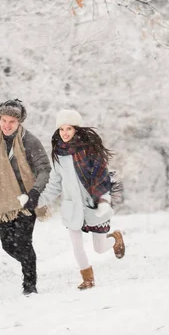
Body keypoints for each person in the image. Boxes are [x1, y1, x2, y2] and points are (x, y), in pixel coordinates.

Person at [37, 109, 125, 290]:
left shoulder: (91, 152)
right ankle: (88, 279)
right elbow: (54, 185)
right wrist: (38, 200)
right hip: (72, 208)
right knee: (77, 247)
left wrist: (102, 202)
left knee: (99, 248)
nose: (65, 133)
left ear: (76, 129)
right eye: (61, 129)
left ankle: (115, 238)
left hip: (94, 205)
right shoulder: (58, 157)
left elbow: (102, 178)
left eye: (69, 128)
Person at [0, 99, 51, 295]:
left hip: (26, 199)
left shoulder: (29, 141)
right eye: (3, 120)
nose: (7, 125)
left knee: (23, 242)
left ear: (19, 122)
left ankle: (29, 285)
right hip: (4, 199)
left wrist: (34, 193)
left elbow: (44, 169)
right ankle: (29, 264)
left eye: (11, 122)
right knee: (8, 245)